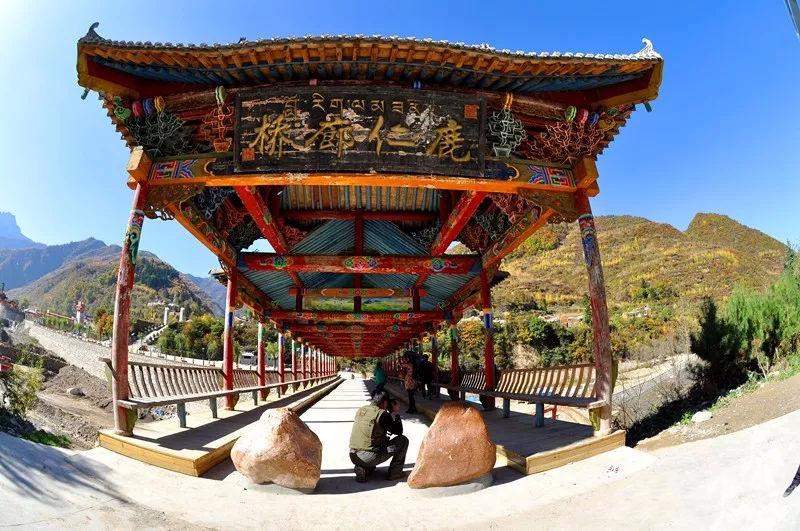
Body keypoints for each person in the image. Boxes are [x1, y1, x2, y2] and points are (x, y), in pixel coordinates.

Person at [349, 391, 408, 482]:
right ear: (385, 402)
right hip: (369, 457)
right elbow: (399, 431)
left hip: (353, 455)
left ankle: (363, 469)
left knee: (374, 444)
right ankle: (395, 472)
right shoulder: (382, 414)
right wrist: (396, 413)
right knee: (403, 440)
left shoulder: (361, 410)